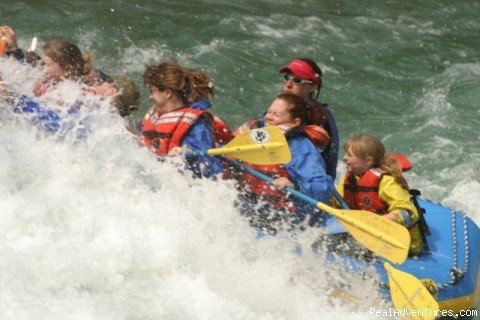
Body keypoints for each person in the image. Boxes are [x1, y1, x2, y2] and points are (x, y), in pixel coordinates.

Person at [235, 93, 335, 233]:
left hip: (283, 219)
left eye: (276, 114)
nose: (269, 117)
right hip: (249, 206)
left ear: (294, 122)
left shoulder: (300, 147)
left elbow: (321, 187)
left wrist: (294, 185)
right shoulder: (254, 133)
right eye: (269, 111)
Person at [337, 134, 424, 255]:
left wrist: (377, 222)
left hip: (399, 244)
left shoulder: (386, 182)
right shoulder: (350, 179)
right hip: (369, 238)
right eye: (345, 153)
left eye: (350, 155)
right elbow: (335, 201)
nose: (344, 158)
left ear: (368, 161)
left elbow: (408, 213)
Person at [139, 61, 224, 179]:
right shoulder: (155, 115)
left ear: (168, 93)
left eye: (153, 91)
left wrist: (186, 155)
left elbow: (206, 165)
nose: (150, 96)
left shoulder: (197, 123)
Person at [278, 58, 339, 180]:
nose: (288, 84)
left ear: (312, 87)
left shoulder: (319, 118)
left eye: (297, 80)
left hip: (306, 182)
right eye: (286, 78)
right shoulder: (277, 109)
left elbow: (312, 164)